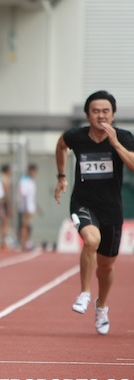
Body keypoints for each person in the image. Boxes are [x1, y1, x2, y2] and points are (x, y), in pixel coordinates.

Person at [55, 90, 134, 335]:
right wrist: (61, 176)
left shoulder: (123, 137)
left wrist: (116, 144)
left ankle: (102, 306)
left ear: (112, 115)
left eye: (105, 111)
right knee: (91, 240)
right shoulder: (75, 137)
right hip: (83, 203)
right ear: (88, 115)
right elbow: (60, 145)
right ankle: (85, 293)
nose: (101, 115)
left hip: (111, 208)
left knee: (106, 267)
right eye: (96, 111)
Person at [17, 163, 38, 251]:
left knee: (28, 226)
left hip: (30, 207)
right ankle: (23, 243)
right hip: (25, 207)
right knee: (24, 226)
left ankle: (27, 242)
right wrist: (26, 208)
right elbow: (23, 194)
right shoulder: (24, 180)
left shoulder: (31, 181)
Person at [0, 164, 13, 250]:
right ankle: (3, 242)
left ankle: (2, 242)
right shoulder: (5, 179)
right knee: (4, 223)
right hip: (2, 203)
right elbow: (6, 194)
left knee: (1, 224)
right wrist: (8, 206)